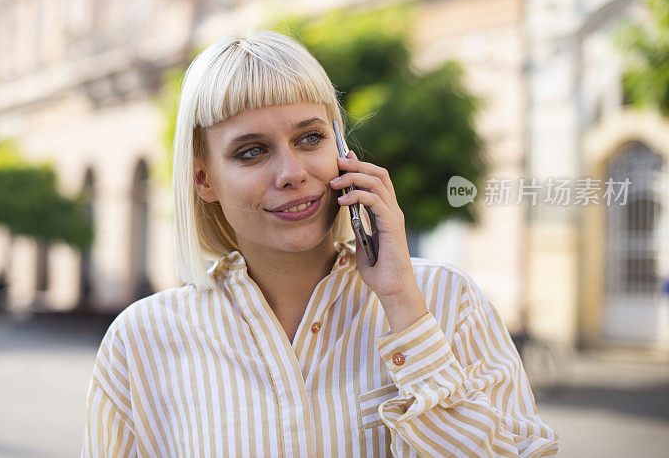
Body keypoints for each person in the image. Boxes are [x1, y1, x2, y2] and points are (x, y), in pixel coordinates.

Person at [82, 31, 559, 457]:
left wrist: (404, 310)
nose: (292, 173)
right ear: (204, 180)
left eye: (310, 138)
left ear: (341, 152)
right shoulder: (142, 341)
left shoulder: (445, 300)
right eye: (252, 151)